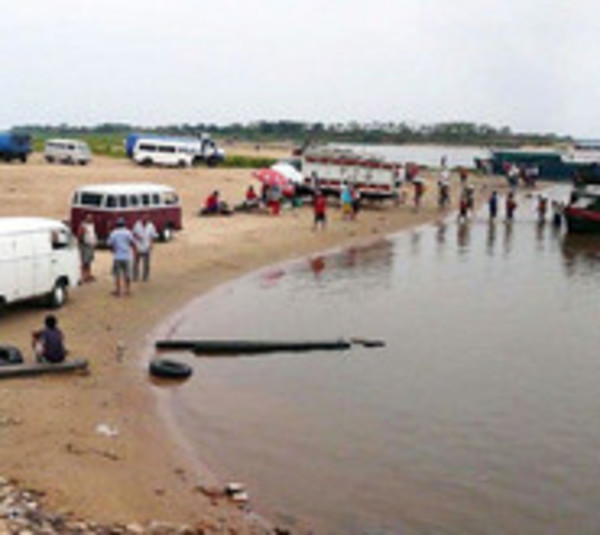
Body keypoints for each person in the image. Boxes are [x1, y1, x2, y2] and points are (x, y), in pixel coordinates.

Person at [107, 217, 135, 297]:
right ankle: (127, 290)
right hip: (126, 256)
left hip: (117, 257)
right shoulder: (128, 232)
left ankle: (118, 291)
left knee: (117, 275)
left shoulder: (114, 233)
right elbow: (132, 243)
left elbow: (109, 244)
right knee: (127, 274)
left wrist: (112, 250)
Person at [132, 213, 158, 282]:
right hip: (138, 246)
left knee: (146, 263)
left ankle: (145, 277)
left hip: (146, 246)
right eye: (144, 217)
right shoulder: (137, 224)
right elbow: (133, 234)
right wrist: (135, 244)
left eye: (147, 217)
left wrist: (151, 244)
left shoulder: (151, 226)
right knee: (136, 263)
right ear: (141, 217)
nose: (145, 218)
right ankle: (135, 276)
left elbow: (153, 236)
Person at [77, 213, 97, 283]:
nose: (91, 219)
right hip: (85, 245)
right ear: (86, 218)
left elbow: (93, 234)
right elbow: (79, 235)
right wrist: (81, 244)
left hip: (90, 245)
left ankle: (88, 275)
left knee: (89, 261)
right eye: (89, 218)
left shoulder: (92, 225)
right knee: (84, 262)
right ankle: (83, 276)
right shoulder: (83, 225)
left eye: (91, 218)